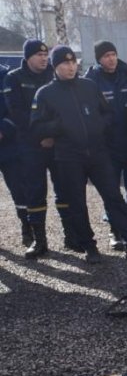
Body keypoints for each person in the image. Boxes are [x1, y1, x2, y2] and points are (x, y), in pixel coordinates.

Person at [30, 45, 127, 264]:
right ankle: (89, 247)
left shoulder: (89, 86)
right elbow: (36, 127)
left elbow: (107, 113)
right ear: (55, 66)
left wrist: (98, 125)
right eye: (65, 63)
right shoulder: (46, 94)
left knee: (114, 198)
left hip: (98, 153)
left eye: (73, 62)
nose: (71, 67)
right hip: (69, 157)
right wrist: (59, 126)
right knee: (77, 203)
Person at [3, 39, 76, 258]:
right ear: (28, 58)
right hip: (30, 146)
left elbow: (63, 110)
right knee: (35, 192)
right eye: (39, 55)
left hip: (56, 143)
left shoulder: (53, 75)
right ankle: (39, 241)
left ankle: (71, 236)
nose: (44, 59)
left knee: (64, 189)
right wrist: (41, 136)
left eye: (46, 55)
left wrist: (52, 135)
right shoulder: (14, 78)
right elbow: (17, 113)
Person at [85, 40, 127, 250]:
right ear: (99, 59)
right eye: (106, 56)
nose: (111, 59)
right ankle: (115, 230)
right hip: (107, 146)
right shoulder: (91, 80)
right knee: (111, 190)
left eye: (113, 54)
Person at [0, 64, 30, 248]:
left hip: (9, 146)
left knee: (19, 190)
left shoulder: (7, 77)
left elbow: (16, 109)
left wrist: (3, 130)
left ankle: (28, 228)